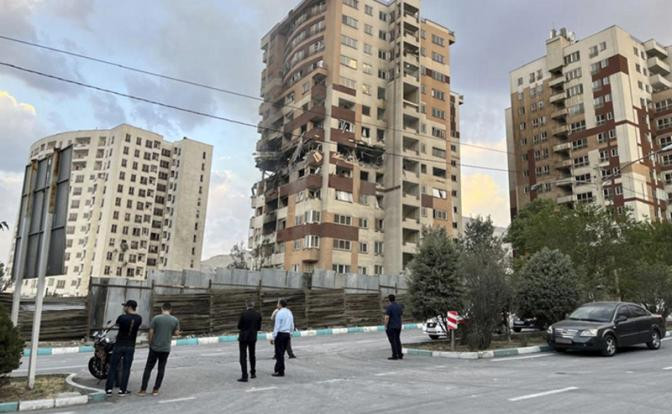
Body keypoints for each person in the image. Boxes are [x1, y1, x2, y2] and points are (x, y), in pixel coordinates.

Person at [138, 302, 180, 396]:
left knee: (148, 368)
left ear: (162, 308)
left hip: (154, 347)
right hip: (165, 348)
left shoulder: (156, 318)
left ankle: (143, 390)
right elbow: (177, 333)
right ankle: (156, 389)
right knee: (161, 368)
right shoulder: (175, 320)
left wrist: (150, 342)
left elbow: (151, 332)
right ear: (170, 309)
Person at [106, 300, 143, 395]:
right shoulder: (139, 318)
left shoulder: (122, 317)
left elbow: (111, 325)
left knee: (113, 366)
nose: (124, 308)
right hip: (130, 346)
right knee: (126, 368)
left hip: (119, 345)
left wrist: (114, 321)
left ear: (129, 307)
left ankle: (109, 389)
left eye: (125, 306)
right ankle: (122, 390)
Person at [237, 300, 262, 382]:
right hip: (253, 337)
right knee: (252, 355)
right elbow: (259, 327)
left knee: (243, 356)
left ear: (246, 305)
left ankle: (244, 375)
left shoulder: (243, 314)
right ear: (253, 305)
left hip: (243, 337)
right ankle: (253, 373)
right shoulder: (258, 314)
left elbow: (239, 326)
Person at [271, 299, 294, 377]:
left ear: (280, 304)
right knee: (282, 353)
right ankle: (278, 369)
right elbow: (292, 324)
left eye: (278, 303)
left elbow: (277, 326)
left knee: (279, 353)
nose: (277, 305)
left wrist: (273, 337)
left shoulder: (279, 313)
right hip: (287, 334)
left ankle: (280, 371)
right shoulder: (289, 312)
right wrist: (291, 333)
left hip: (280, 334)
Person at [384, 294, 404, 360]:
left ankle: (395, 355)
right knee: (397, 339)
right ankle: (400, 354)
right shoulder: (399, 306)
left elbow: (387, 317)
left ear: (389, 299)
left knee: (393, 341)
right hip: (398, 326)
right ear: (394, 299)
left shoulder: (389, 307)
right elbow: (401, 316)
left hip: (391, 326)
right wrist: (400, 324)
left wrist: (385, 326)